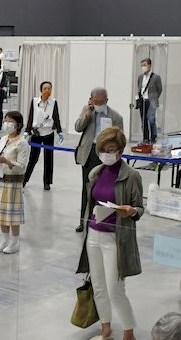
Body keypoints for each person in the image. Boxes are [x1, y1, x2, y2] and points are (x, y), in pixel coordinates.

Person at [77, 126, 143, 340]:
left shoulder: (131, 175)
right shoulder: (95, 172)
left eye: (111, 149)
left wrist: (130, 210)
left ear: (120, 150)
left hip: (116, 237)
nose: (107, 153)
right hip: (94, 234)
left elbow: (139, 208)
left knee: (116, 289)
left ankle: (129, 334)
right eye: (103, 149)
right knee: (98, 285)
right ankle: (106, 329)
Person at [74, 87, 124, 233]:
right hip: (89, 154)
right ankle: (83, 221)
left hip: (105, 155)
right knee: (87, 188)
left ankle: (102, 221)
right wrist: (87, 115)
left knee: (104, 189)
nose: (98, 104)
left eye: (101, 102)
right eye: (95, 102)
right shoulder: (87, 110)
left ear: (107, 101)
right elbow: (77, 127)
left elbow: (120, 140)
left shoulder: (116, 117)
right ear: (91, 99)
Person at [0, 110, 29, 254]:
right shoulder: (4, 139)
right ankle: (4, 239)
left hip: (13, 182)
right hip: (0, 179)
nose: (7, 124)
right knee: (2, 213)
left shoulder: (22, 143)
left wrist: (7, 161)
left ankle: (15, 242)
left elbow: (22, 167)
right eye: (5, 120)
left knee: (13, 214)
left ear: (18, 125)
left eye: (10, 121)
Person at [23, 81, 63, 191]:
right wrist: (27, 131)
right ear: (41, 90)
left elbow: (56, 117)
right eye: (45, 88)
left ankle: (47, 182)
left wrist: (59, 131)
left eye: (49, 88)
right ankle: (25, 179)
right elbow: (31, 116)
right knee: (33, 158)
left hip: (48, 134)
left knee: (48, 159)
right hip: (36, 133)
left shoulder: (53, 102)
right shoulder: (35, 101)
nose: (47, 91)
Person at [135, 57, 163, 143]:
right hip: (142, 101)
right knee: (143, 120)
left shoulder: (156, 77)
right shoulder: (140, 77)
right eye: (142, 65)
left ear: (149, 66)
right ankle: (145, 138)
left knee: (151, 119)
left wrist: (154, 98)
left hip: (151, 101)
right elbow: (139, 88)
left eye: (145, 65)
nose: (143, 67)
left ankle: (153, 137)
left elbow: (160, 89)